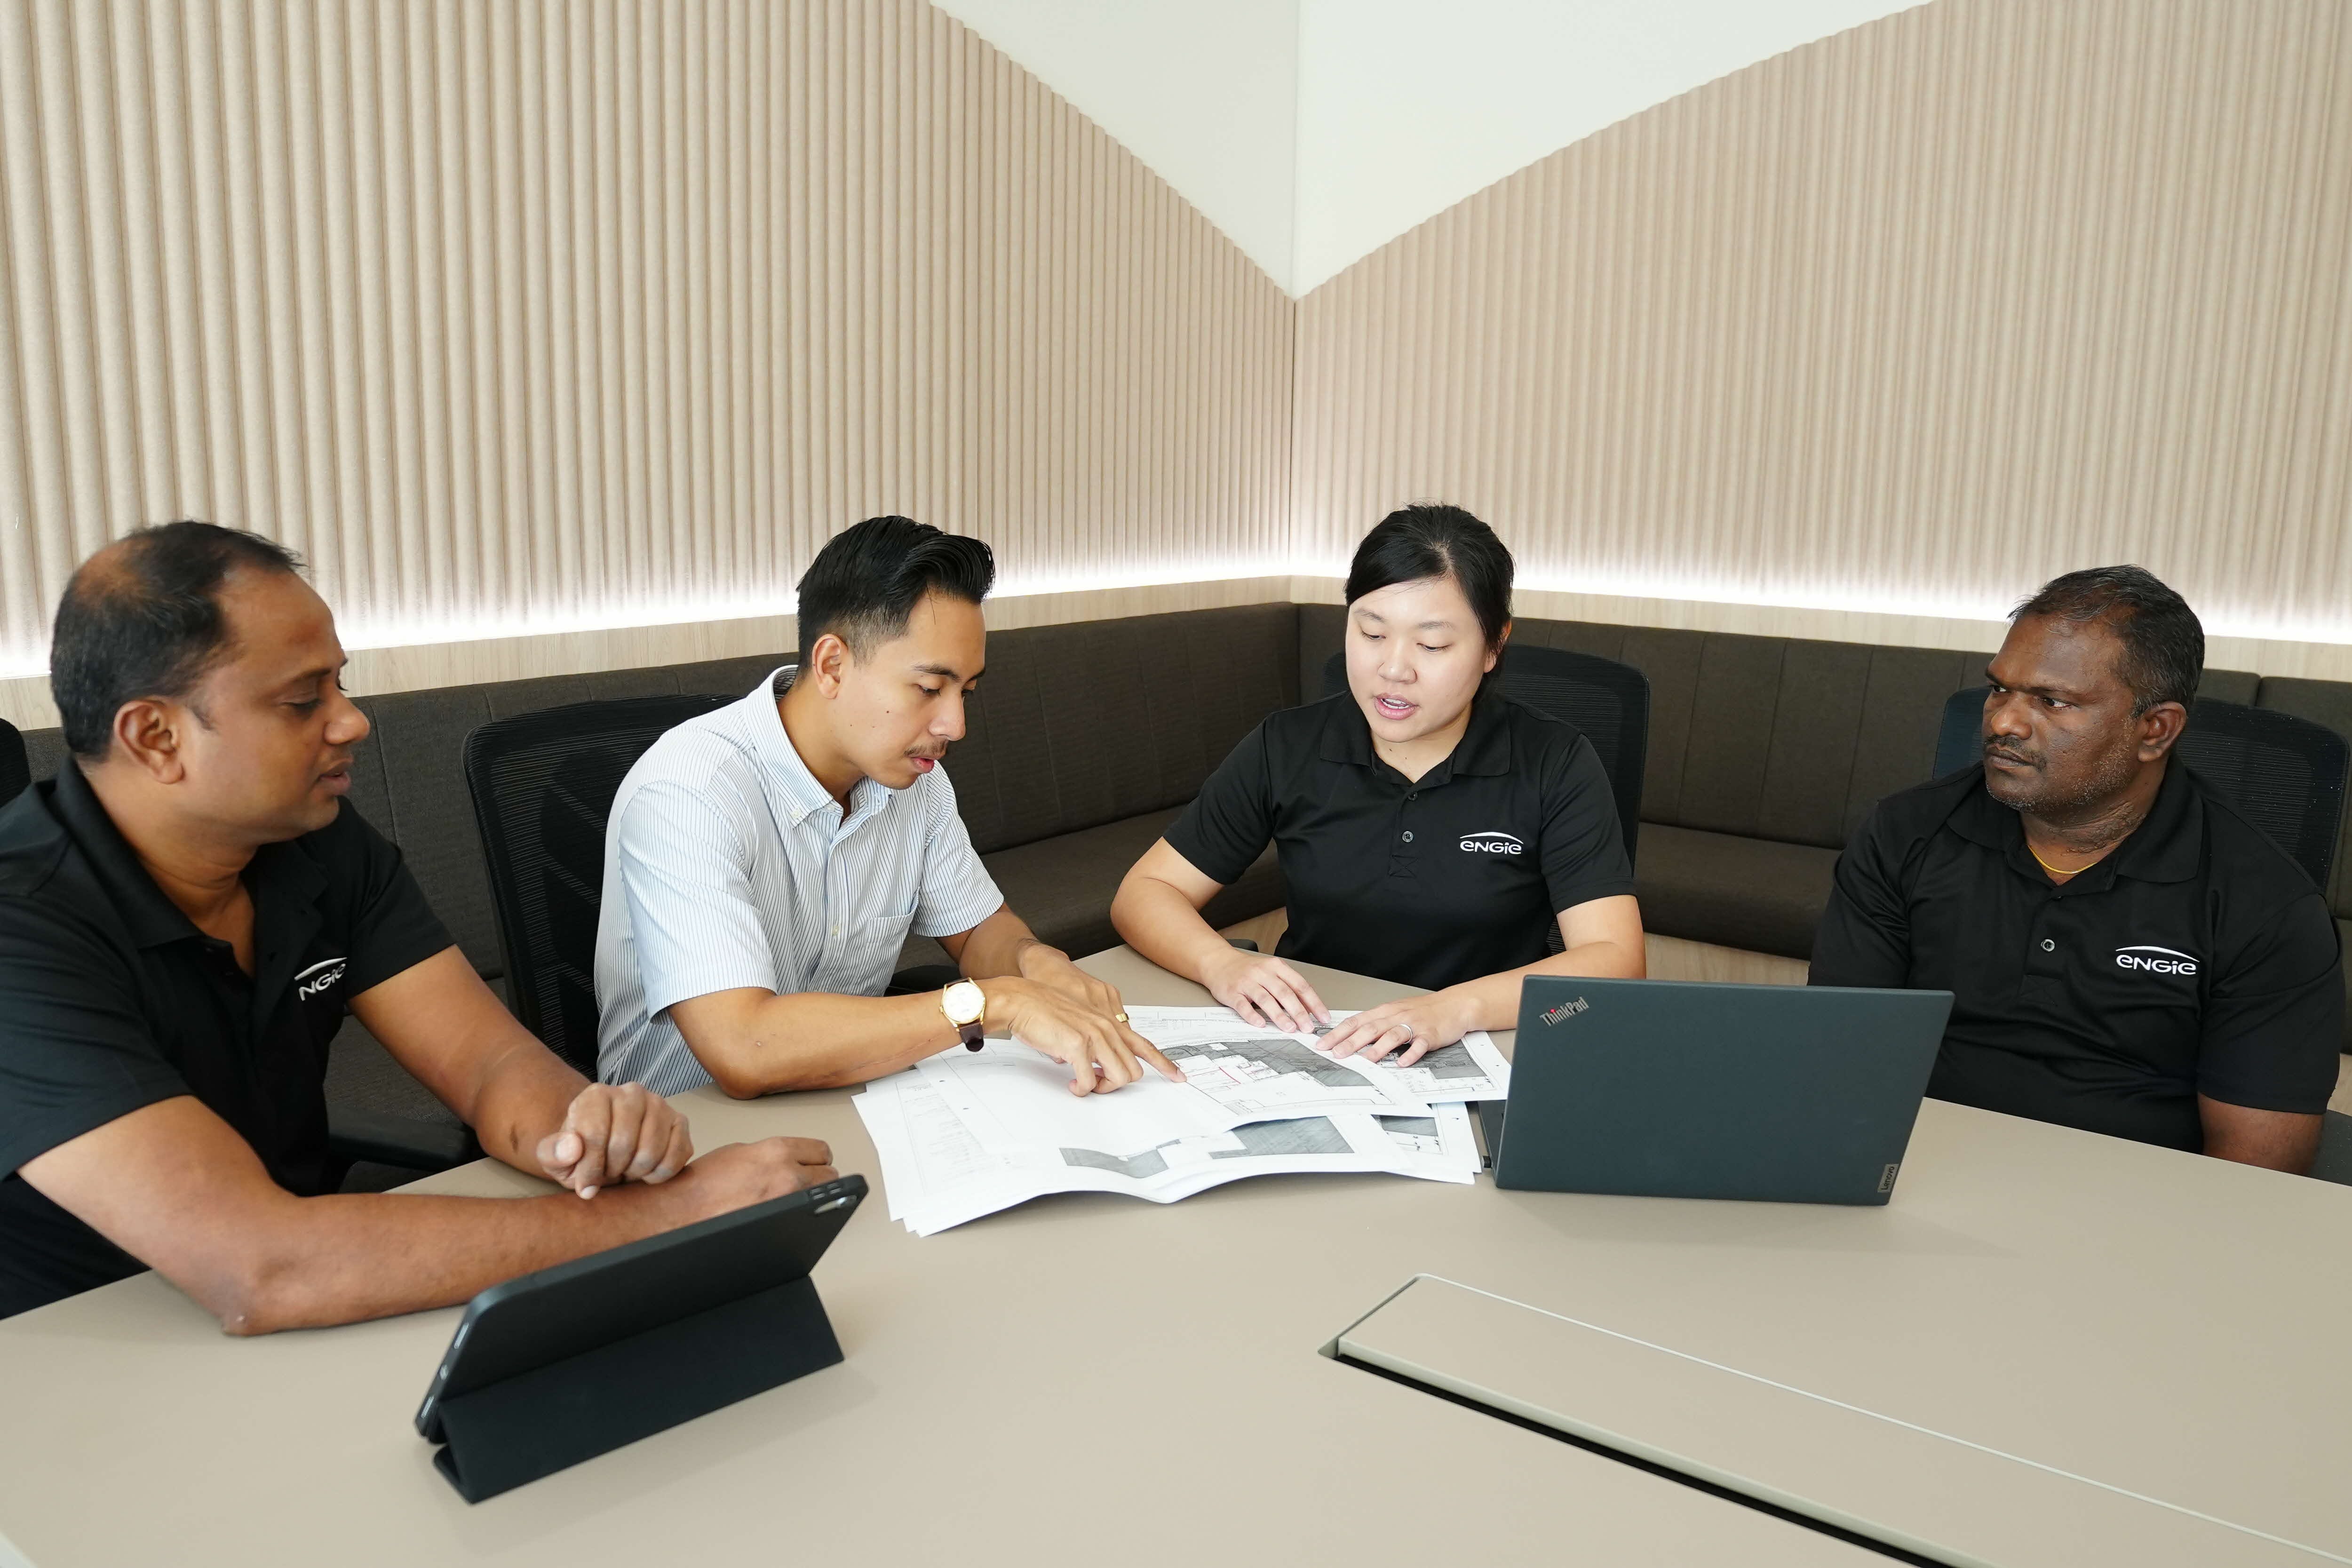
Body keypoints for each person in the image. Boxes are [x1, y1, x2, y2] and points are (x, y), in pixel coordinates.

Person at [0, 523, 836, 1328]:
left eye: (340, 681)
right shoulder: (20, 924)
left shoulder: (318, 843)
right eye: (302, 700)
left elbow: (489, 1062)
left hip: (304, 1300)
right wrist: (675, 1216)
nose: (351, 720)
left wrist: (579, 1128)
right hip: (74, 1348)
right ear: (156, 736)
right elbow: (257, 1263)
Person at [597, 515, 1179, 1099]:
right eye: (929, 689)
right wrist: (996, 1001)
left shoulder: (914, 783)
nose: (954, 724)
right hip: (683, 1129)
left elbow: (978, 931)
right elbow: (745, 1048)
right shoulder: (690, 791)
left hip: (850, 1092)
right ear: (831, 666)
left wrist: (1034, 963)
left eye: (966, 692)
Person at [1811, 565, 2342, 1171]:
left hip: (2129, 1208)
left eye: (2051, 701)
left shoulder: (2263, 903)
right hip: (1917, 1166)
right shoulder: (1904, 833)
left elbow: (2257, 1175)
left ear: (2155, 731)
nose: (2002, 722)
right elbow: (1840, 1057)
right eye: (1999, 689)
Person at [1110, 503, 1645, 1065]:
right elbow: (1145, 891)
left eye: (1431, 645)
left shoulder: (1554, 763)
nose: (1393, 669)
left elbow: (1615, 959)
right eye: (1370, 632)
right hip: (1319, 1041)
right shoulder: (1287, 746)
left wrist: (1453, 1010)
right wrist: (1219, 963)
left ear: (1493, 646)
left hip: (1484, 1045)